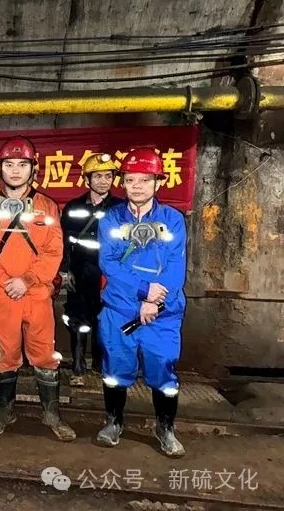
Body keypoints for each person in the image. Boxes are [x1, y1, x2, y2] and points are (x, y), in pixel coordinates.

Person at [0, 136, 76, 441]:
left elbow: (54, 252)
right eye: (9, 164)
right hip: (3, 294)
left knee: (44, 354)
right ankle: (5, 411)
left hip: (37, 293)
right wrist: (6, 281)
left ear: (33, 168)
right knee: (6, 354)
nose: (15, 170)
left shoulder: (47, 206)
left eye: (22, 164)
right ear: (0, 168)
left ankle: (51, 414)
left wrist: (27, 280)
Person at [96, 147, 187, 457]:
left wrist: (155, 302)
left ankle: (165, 428)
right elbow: (108, 262)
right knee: (115, 368)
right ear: (122, 182)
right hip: (120, 309)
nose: (136, 186)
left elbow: (175, 266)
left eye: (145, 180)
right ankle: (113, 422)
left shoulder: (173, 220)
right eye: (130, 180)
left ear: (158, 182)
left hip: (162, 313)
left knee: (163, 368)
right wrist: (143, 290)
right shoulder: (111, 218)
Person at [60, 153, 123, 385]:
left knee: (104, 319)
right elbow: (62, 241)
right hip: (79, 272)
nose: (103, 181)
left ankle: (99, 364)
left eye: (108, 176)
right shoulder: (73, 207)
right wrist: (65, 271)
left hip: (109, 275)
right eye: (97, 176)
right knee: (77, 318)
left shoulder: (120, 208)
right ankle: (78, 366)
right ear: (87, 179)